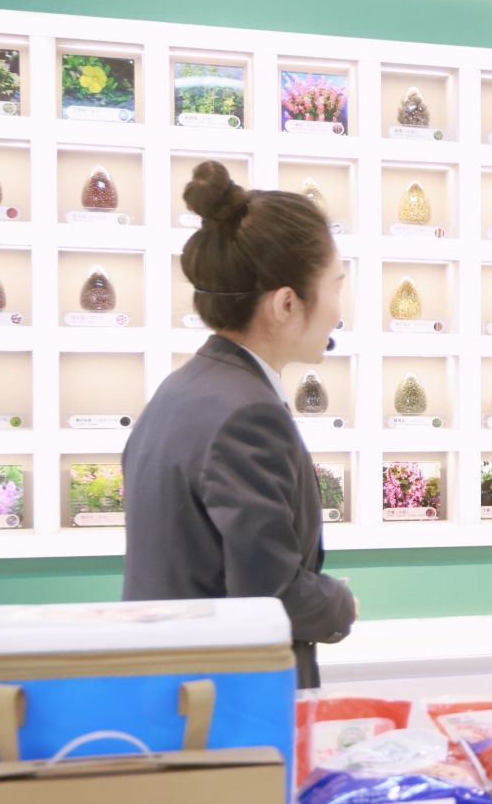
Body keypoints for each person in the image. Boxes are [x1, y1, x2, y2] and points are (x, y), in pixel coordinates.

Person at [123, 161, 356, 687]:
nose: (339, 312)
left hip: (173, 693)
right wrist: (339, 603)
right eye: (336, 286)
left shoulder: (181, 390)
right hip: (226, 703)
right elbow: (269, 595)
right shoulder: (248, 415)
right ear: (287, 303)